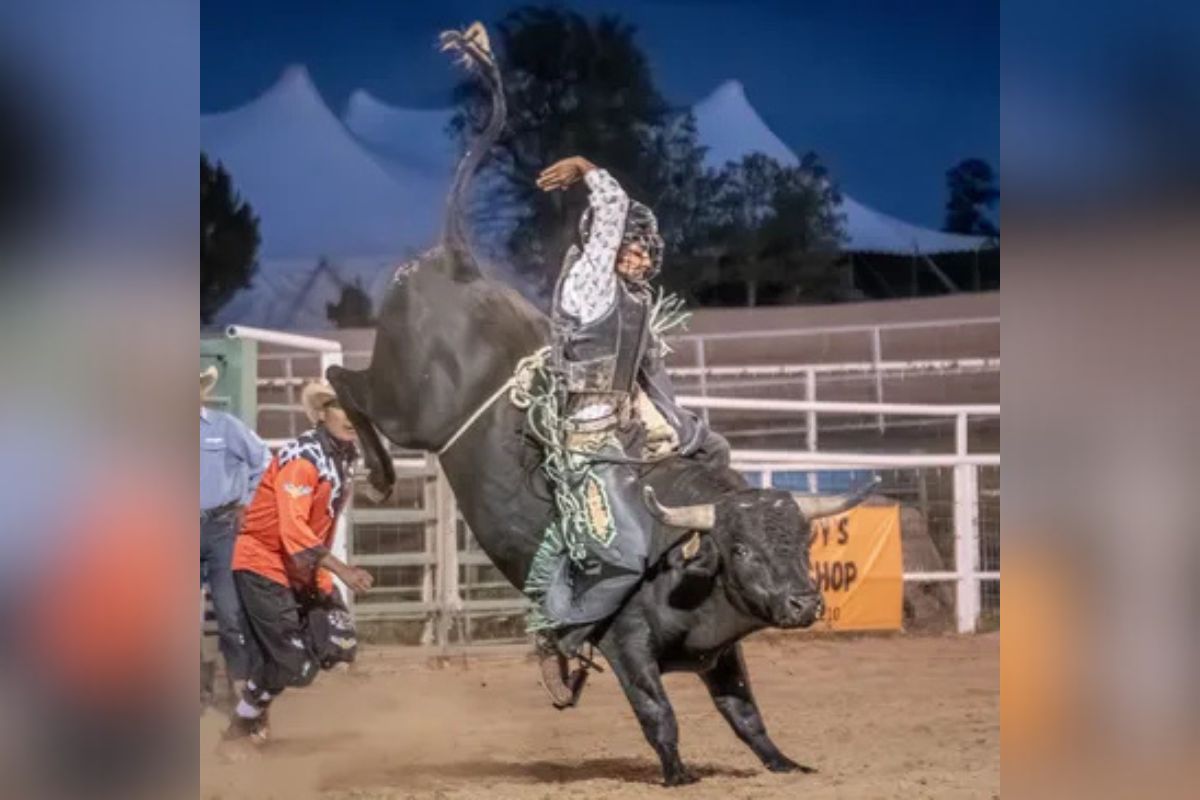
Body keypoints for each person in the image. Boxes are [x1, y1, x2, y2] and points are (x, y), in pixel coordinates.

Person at [528, 156, 728, 705]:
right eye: (632, 245)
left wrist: (690, 437)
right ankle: (558, 636)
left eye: (646, 248)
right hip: (585, 440)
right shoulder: (590, 287)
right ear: (607, 246)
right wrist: (590, 170)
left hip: (621, 439)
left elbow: (654, 384)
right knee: (625, 553)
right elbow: (612, 209)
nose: (642, 254)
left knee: (701, 473)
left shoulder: (634, 304)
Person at [223, 380, 374, 744]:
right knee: (297, 665)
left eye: (356, 409)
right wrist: (342, 571)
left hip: (301, 568)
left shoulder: (344, 455)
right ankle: (243, 723)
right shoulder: (303, 458)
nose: (350, 417)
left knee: (339, 643)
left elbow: (321, 522)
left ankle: (256, 698)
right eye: (341, 407)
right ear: (323, 413)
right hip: (264, 563)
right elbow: (293, 530)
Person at [200, 365, 270, 706]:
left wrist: (247, 502)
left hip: (221, 527)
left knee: (230, 613)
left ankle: (240, 685)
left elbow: (263, 460)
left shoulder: (225, 427)